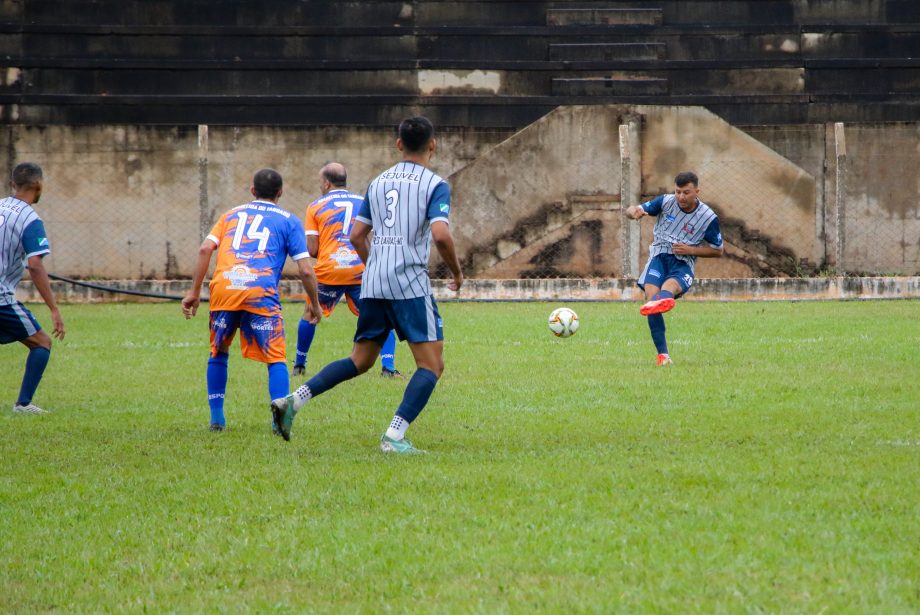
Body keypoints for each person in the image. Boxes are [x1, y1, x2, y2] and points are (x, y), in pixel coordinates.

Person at [271, 116, 464, 453]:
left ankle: (293, 401)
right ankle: (394, 436)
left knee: (360, 361)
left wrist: (375, 263)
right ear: (433, 145)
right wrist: (457, 273)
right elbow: (441, 235)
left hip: (373, 281)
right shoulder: (435, 185)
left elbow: (357, 235)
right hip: (409, 284)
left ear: (398, 144)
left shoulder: (377, 183)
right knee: (432, 365)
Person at [182, 168, 321, 432]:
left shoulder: (230, 215)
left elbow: (205, 249)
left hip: (225, 288)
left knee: (219, 352)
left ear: (252, 191)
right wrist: (314, 304)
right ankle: (278, 422)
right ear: (280, 193)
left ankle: (217, 420)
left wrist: (194, 292)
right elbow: (305, 269)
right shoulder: (289, 220)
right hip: (260, 291)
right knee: (276, 358)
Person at [292, 162, 402, 379]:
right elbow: (370, 238)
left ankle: (299, 365)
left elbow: (312, 249)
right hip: (360, 269)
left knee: (310, 313)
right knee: (382, 315)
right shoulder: (363, 201)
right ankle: (388, 367)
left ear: (326, 183)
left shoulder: (315, 206)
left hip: (329, 271)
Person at [625, 171, 723, 365]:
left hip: (683, 263)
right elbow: (633, 209)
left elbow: (718, 251)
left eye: (686, 192)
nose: (681, 197)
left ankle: (666, 298)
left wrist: (690, 250)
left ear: (697, 191)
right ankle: (663, 356)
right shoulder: (665, 201)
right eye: (678, 191)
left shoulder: (708, 217)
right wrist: (633, 212)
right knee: (652, 300)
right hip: (659, 256)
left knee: (669, 287)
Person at [1, 162, 65, 414]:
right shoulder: (30, 219)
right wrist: (54, 309)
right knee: (41, 342)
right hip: (1, 298)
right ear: (39, 185)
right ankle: (23, 404)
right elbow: (35, 265)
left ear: (12, 184)